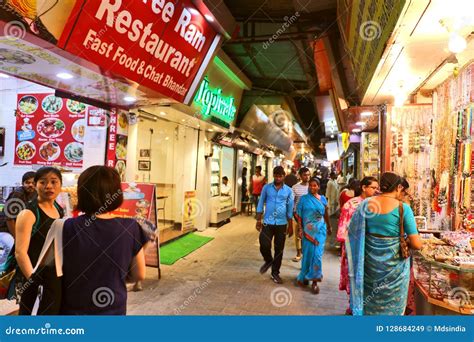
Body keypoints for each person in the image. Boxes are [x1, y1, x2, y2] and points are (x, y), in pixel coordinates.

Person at [60, 166, 148, 315]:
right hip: (113, 308)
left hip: (73, 310)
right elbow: (139, 275)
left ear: (82, 194)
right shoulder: (130, 227)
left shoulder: (67, 226)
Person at [346, 172, 422, 315]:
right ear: (399, 187)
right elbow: (417, 244)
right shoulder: (403, 208)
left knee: (370, 304)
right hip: (395, 274)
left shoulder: (366, 204)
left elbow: (353, 232)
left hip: (370, 269)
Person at [15, 167, 64, 315]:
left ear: (60, 185)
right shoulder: (28, 213)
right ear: (36, 185)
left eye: (54, 182)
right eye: (43, 182)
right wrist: (33, 280)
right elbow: (20, 253)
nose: (49, 186)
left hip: (54, 275)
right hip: (34, 277)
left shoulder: (58, 209)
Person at [337, 176, 378, 315]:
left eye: (376, 188)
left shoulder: (376, 205)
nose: (375, 190)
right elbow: (342, 230)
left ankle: (364, 306)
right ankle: (353, 306)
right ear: (363, 187)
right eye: (373, 187)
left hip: (370, 250)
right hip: (353, 249)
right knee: (353, 277)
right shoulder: (351, 205)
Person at [256, 166, 294, 284]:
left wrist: (291, 224)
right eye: (276, 176)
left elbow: (290, 208)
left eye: (280, 176)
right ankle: (268, 260)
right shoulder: (266, 188)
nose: (278, 178)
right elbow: (261, 202)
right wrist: (258, 219)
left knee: (279, 250)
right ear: (273, 175)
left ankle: (275, 273)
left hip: (281, 224)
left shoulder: (288, 191)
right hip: (268, 222)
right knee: (264, 244)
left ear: (283, 176)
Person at [295, 178, 332, 294]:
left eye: (315, 185)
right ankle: (305, 275)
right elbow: (299, 215)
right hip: (307, 231)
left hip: (320, 230)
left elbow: (326, 213)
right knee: (308, 254)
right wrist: (300, 229)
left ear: (319, 187)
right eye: (310, 185)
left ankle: (315, 280)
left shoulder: (323, 199)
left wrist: (329, 226)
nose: (312, 187)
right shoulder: (303, 199)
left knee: (317, 255)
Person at [5, 171, 37, 237]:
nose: (30, 185)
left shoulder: (36, 194)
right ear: (22, 183)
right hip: (6, 230)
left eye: (33, 183)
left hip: (22, 229)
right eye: (27, 182)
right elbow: (9, 219)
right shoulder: (18, 193)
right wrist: (16, 237)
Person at [291, 167, 310, 262]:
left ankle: (305, 254)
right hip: (297, 215)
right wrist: (294, 213)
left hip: (309, 217)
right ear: (300, 176)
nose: (307, 177)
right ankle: (299, 253)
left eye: (308, 175)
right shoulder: (295, 187)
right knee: (298, 235)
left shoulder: (312, 186)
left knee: (307, 236)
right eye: (305, 175)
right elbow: (292, 202)